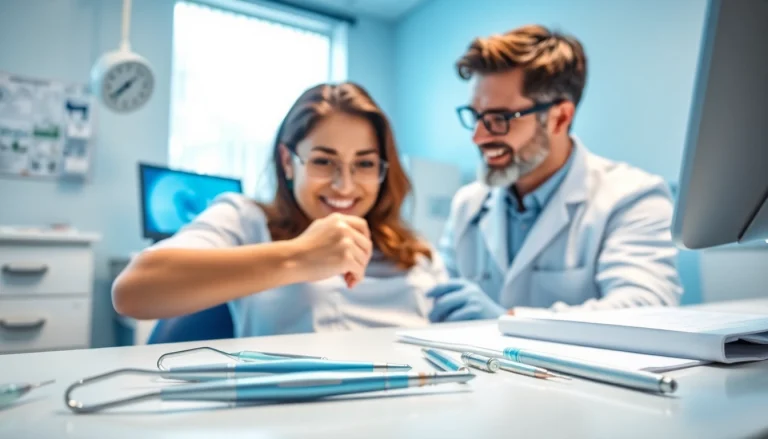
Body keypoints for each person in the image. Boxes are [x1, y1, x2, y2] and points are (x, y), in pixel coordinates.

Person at [113, 82, 445, 337]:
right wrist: (300, 257)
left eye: (365, 164)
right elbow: (133, 290)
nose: (345, 186)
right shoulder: (246, 220)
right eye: (323, 161)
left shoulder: (414, 250)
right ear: (287, 162)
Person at [427, 25, 682, 322]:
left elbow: (647, 307)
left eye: (499, 119)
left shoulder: (633, 197)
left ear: (559, 118)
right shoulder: (467, 205)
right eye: (476, 116)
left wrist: (510, 320)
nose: (478, 137)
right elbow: (438, 299)